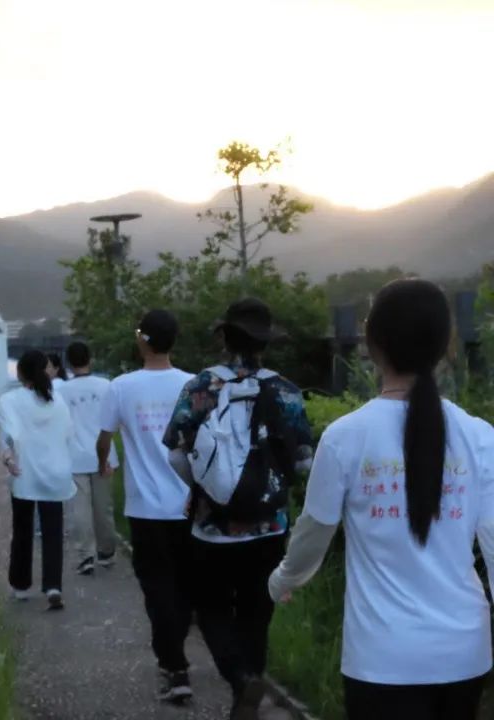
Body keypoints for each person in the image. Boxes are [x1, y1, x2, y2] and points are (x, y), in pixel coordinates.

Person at [269, 279, 494, 720]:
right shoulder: (480, 437)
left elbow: (314, 531)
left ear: (373, 344)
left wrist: (283, 580)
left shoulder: (345, 437)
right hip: (464, 654)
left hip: (381, 658)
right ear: (445, 345)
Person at [163, 298, 313, 720]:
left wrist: (204, 488)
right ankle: (248, 688)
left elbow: (175, 454)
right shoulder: (285, 390)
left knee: (211, 607)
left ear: (225, 339)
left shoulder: (201, 386)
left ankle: (241, 681)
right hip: (269, 526)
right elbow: (304, 462)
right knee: (256, 612)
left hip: (213, 526)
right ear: (266, 343)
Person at [96, 309, 194, 703]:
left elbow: (105, 437)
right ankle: (176, 655)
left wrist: (103, 461)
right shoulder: (192, 384)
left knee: (157, 587)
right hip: (189, 505)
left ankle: (174, 665)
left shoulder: (121, 387)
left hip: (145, 509)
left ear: (143, 340)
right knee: (184, 585)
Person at [0, 350, 75, 611]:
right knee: (53, 530)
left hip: (25, 474)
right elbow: (68, 434)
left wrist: (8, 458)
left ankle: (21, 585)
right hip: (55, 473)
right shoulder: (57, 400)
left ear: (20, 373)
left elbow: (9, 434)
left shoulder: (10, 400)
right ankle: (53, 585)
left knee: (23, 529)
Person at [58, 341, 119, 575]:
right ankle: (107, 551)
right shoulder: (107, 386)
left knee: (79, 510)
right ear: (90, 359)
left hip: (74, 458)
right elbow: (115, 421)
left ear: (68, 363)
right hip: (104, 454)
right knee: (103, 508)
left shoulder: (61, 391)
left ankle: (85, 555)